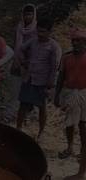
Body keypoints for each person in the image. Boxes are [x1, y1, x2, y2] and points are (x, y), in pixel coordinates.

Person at [16, 18, 62, 139]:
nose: (40, 34)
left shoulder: (54, 47)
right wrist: (23, 62)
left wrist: (50, 85)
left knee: (42, 107)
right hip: (29, 78)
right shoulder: (33, 41)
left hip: (42, 81)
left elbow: (54, 67)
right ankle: (18, 129)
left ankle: (40, 133)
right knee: (23, 105)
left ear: (50, 32)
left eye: (43, 32)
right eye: (39, 31)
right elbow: (20, 49)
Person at [54, 27, 86, 180]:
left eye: (79, 40)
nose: (76, 43)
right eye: (74, 40)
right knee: (69, 123)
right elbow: (61, 78)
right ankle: (70, 146)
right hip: (70, 93)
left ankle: (82, 159)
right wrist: (57, 95)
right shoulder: (66, 58)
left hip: (84, 94)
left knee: (83, 126)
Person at [5, 4, 37, 121]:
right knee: (14, 91)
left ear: (34, 15)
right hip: (17, 63)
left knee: (27, 93)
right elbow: (16, 45)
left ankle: (25, 117)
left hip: (31, 65)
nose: (27, 17)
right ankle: (10, 115)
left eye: (30, 14)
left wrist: (28, 62)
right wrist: (18, 60)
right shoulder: (19, 27)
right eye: (25, 14)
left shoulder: (37, 29)